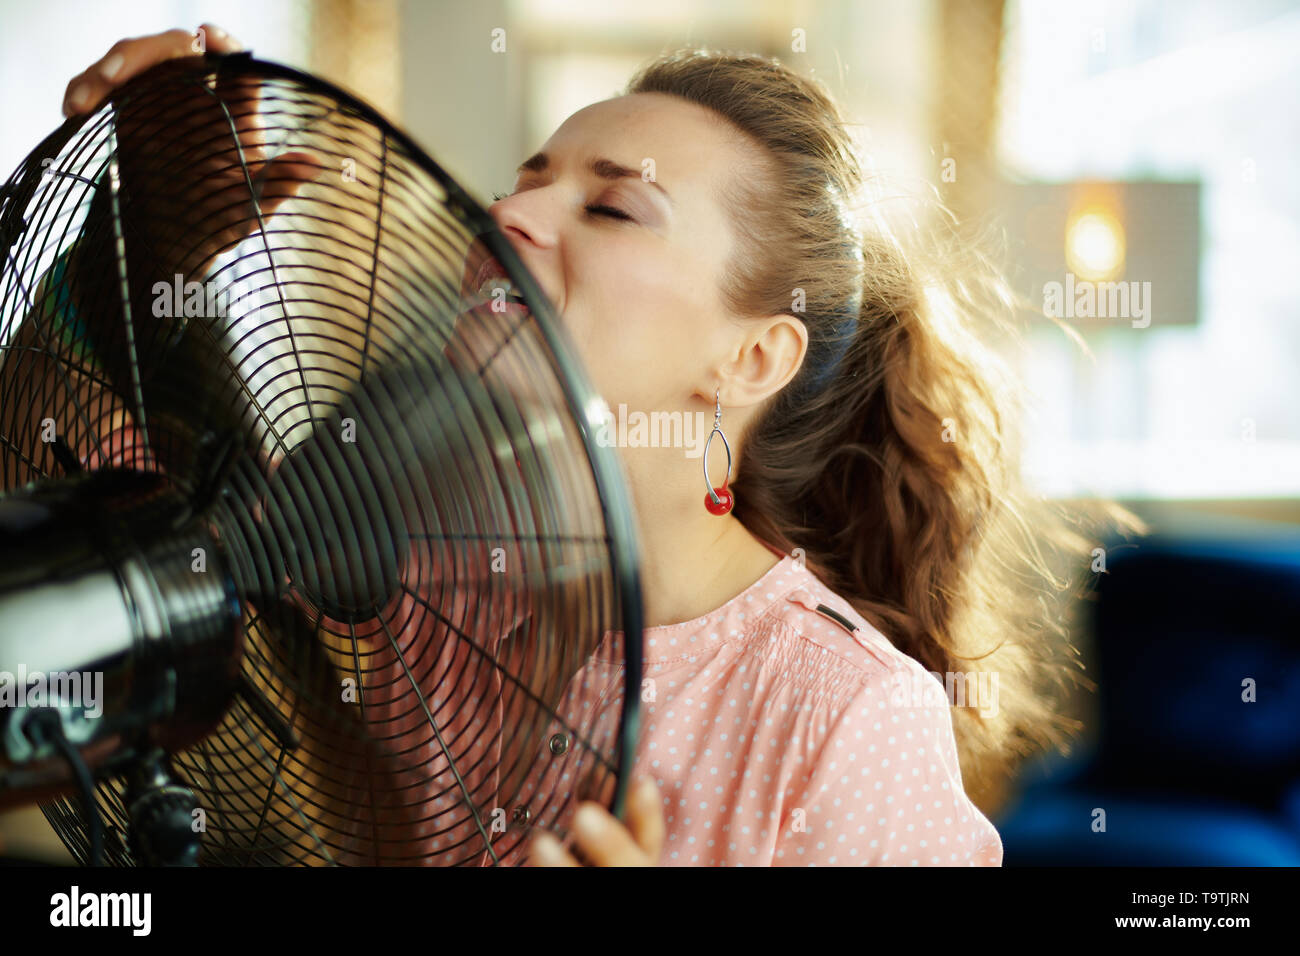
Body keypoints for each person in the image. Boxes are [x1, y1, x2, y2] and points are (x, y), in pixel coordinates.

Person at [47, 24, 1137, 866]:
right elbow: (112, 461)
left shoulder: (846, 714)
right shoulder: (425, 577)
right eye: (529, 178)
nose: (507, 214)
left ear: (753, 357)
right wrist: (149, 224)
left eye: (613, 210)